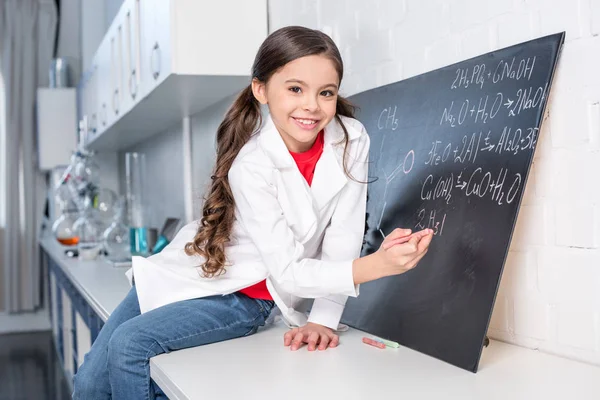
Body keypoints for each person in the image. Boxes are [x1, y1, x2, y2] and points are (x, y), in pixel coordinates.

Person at [72, 25, 434, 399]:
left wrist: (324, 319)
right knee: (89, 384)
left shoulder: (351, 140)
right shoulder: (252, 164)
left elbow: (342, 236)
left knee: (130, 345)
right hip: (191, 272)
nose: (311, 105)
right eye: (295, 89)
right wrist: (380, 264)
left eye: (325, 92)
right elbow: (293, 270)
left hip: (245, 295)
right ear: (261, 90)